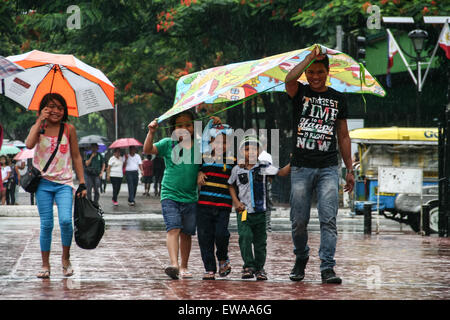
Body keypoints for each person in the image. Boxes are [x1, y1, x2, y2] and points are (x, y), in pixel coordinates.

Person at [285, 45, 354, 284]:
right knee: (299, 221)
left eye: (320, 72)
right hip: (301, 167)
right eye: (311, 72)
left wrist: (349, 169)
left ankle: (327, 267)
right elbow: (289, 78)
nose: (315, 77)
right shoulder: (299, 92)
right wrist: (308, 58)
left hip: (328, 168)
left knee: (328, 219)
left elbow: (344, 136)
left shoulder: (338, 98)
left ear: (328, 73)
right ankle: (301, 256)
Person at [144, 111, 221, 280]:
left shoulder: (200, 145)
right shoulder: (168, 144)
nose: (184, 129)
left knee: (186, 233)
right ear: (173, 128)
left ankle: (184, 266)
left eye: (188, 125)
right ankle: (174, 264)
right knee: (173, 228)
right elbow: (148, 149)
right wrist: (151, 131)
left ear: (194, 127)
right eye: (179, 126)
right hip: (169, 194)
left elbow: (214, 152)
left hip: (191, 197)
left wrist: (216, 126)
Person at [25, 93, 87, 279]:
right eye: (51, 106)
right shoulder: (39, 128)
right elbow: (28, 145)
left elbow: (76, 156)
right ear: (43, 108)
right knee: (46, 225)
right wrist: (38, 122)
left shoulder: (69, 129)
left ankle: (65, 260)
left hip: (64, 183)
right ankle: (45, 265)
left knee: (66, 221)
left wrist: (82, 183)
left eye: (60, 108)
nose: (56, 111)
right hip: (43, 184)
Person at [228, 136, 290, 281]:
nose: (250, 152)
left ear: (259, 151)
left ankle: (260, 268)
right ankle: (248, 266)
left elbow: (281, 173)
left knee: (260, 242)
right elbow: (230, 184)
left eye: (254, 149)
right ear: (241, 151)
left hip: (261, 212)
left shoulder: (264, 167)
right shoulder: (237, 169)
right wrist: (236, 202)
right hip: (243, 212)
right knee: (245, 237)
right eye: (247, 149)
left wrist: (294, 162)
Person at [196, 120, 234, 280]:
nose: (220, 145)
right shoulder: (203, 159)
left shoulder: (233, 160)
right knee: (205, 237)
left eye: (224, 143)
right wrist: (198, 173)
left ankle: (223, 257)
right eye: (216, 142)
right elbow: (194, 171)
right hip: (204, 206)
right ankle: (209, 268)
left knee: (221, 235)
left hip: (224, 206)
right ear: (210, 142)